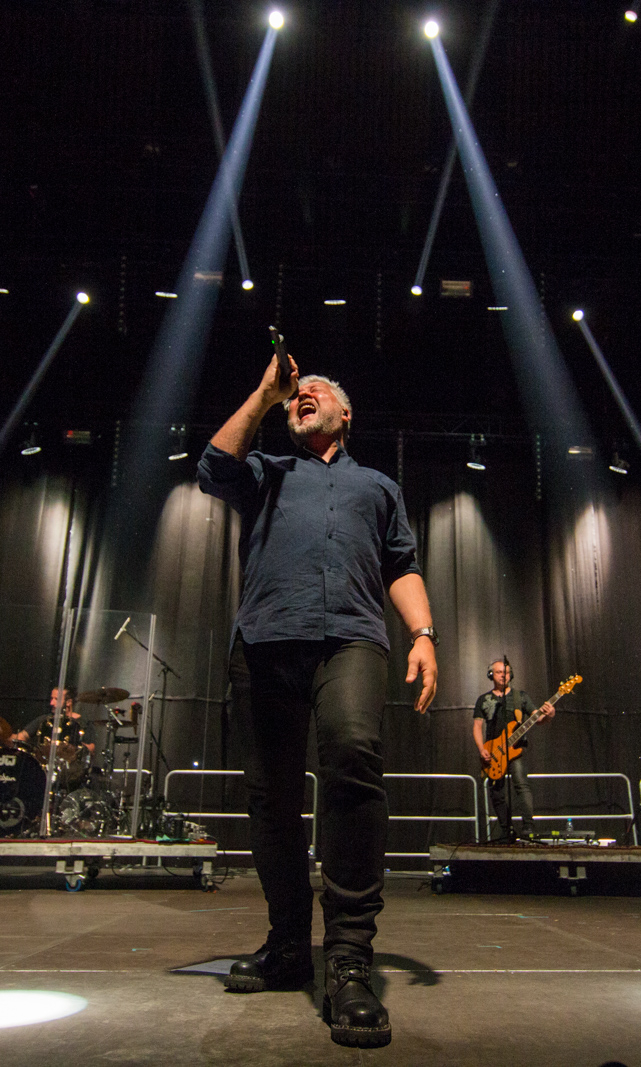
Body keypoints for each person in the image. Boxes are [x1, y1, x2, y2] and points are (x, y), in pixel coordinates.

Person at [197, 348, 438, 1048]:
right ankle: (286, 944)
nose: (305, 396)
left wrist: (423, 633)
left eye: (315, 392)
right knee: (271, 795)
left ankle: (351, 958)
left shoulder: (378, 486)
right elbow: (213, 467)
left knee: (354, 753)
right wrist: (266, 393)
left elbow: (403, 564)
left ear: (346, 413)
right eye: (298, 395)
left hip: (353, 639)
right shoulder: (268, 471)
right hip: (267, 639)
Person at [473, 657, 554, 841]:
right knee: (496, 792)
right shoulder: (483, 699)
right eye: (500, 672)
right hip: (493, 751)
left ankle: (528, 827)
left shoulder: (521, 697)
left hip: (515, 750)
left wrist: (549, 715)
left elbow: (538, 719)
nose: (504, 675)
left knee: (521, 784)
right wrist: (481, 749)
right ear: (491, 674)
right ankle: (506, 829)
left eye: (507, 672)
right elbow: (477, 726)